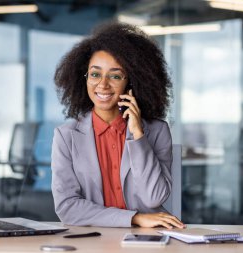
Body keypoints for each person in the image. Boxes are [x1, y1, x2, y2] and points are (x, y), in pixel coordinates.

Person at [51, 21, 185, 229]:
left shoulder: (156, 131)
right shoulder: (66, 136)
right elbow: (67, 207)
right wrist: (133, 218)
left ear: (131, 81)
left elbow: (154, 198)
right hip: (93, 239)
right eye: (95, 74)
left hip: (147, 239)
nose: (103, 84)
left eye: (115, 75)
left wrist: (138, 135)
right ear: (83, 78)